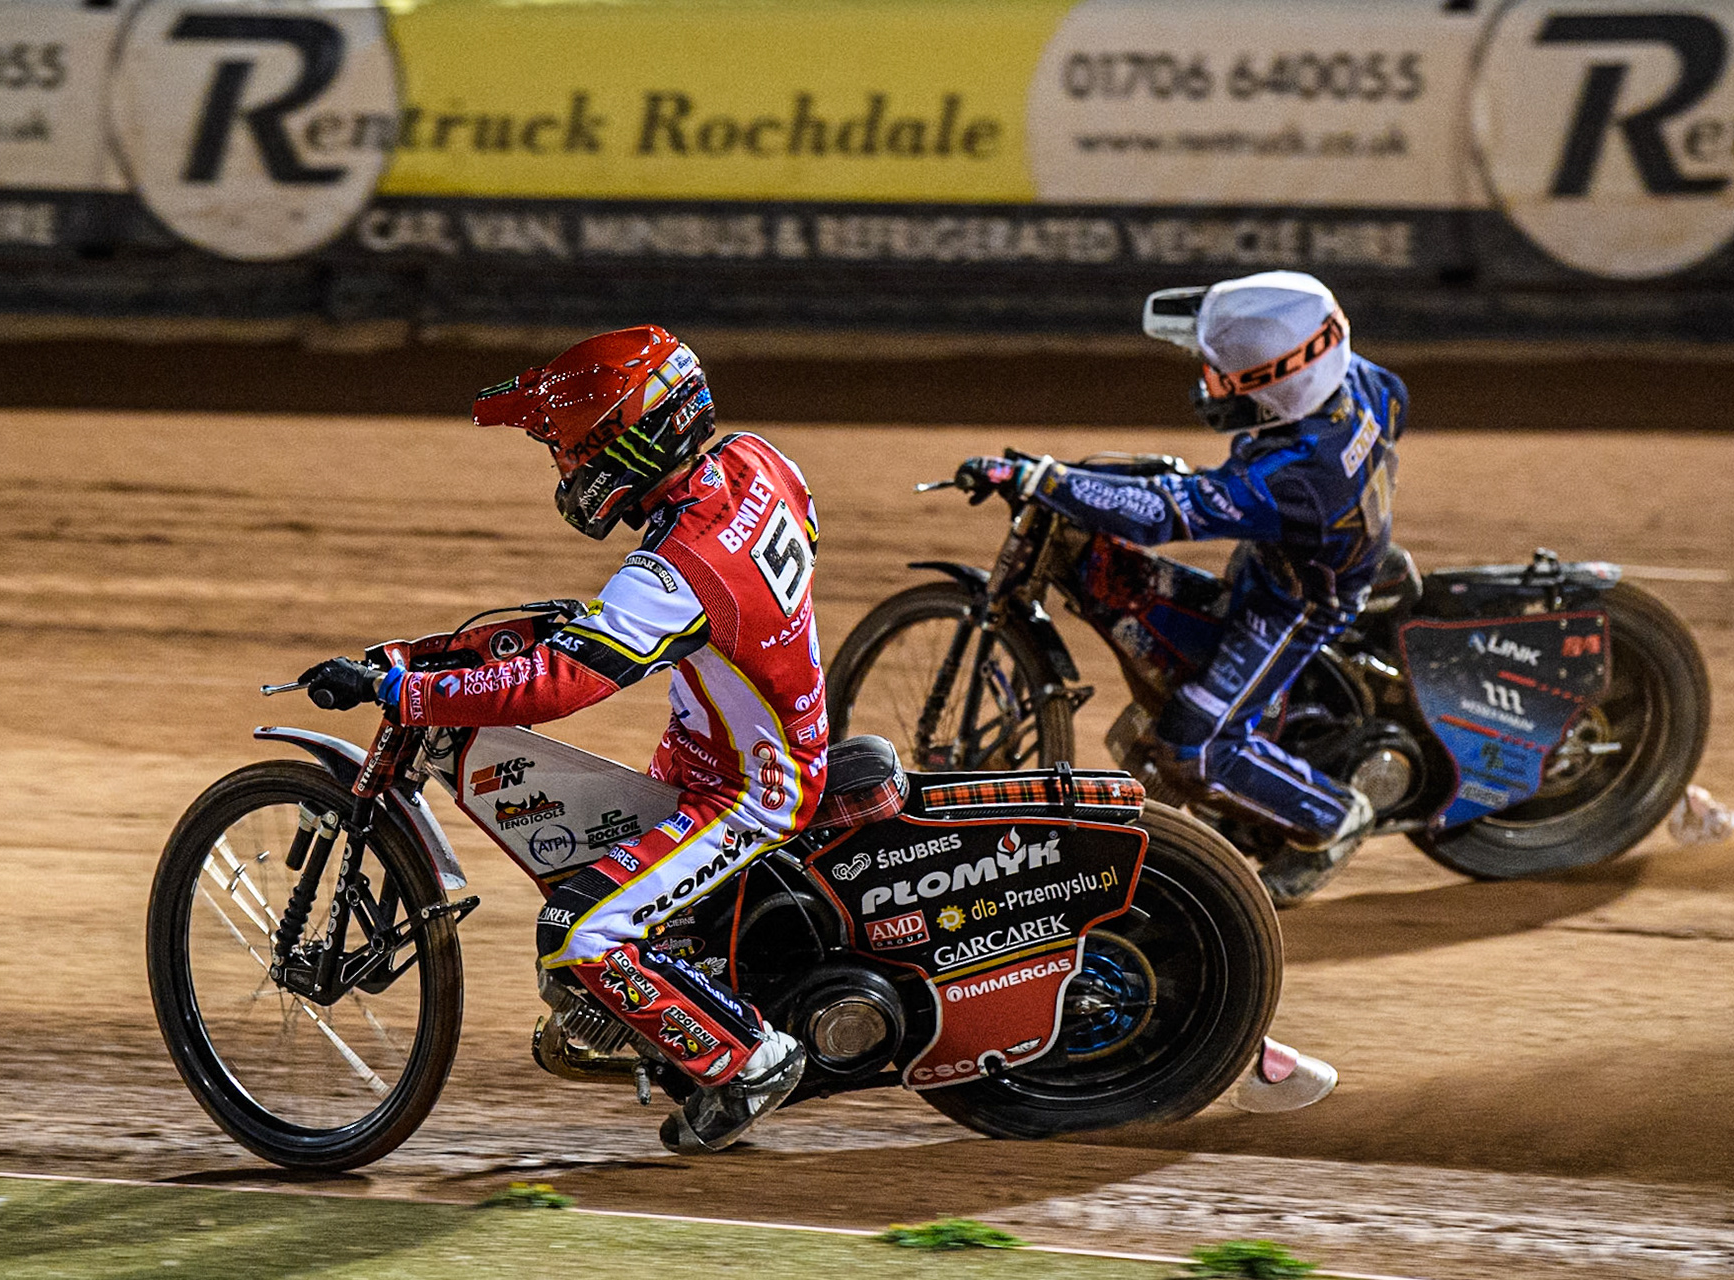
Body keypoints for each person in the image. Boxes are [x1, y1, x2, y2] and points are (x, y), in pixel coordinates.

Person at [298, 325, 826, 1153]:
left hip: (752, 792)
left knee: (581, 936)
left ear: (631, 441)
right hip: (720, 748)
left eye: (573, 451)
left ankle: (751, 1061)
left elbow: (555, 688)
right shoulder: (758, 465)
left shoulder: (676, 570)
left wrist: (407, 690)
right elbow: (711, 609)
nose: (568, 470)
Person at [956, 271, 1407, 905]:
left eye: (1224, 377)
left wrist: (1045, 480)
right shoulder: (1357, 379)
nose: (1208, 385)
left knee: (1193, 743)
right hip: (1308, 549)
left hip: (1297, 603)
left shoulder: (1296, 476)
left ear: (1279, 383)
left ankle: (1332, 818)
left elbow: (1165, 513)